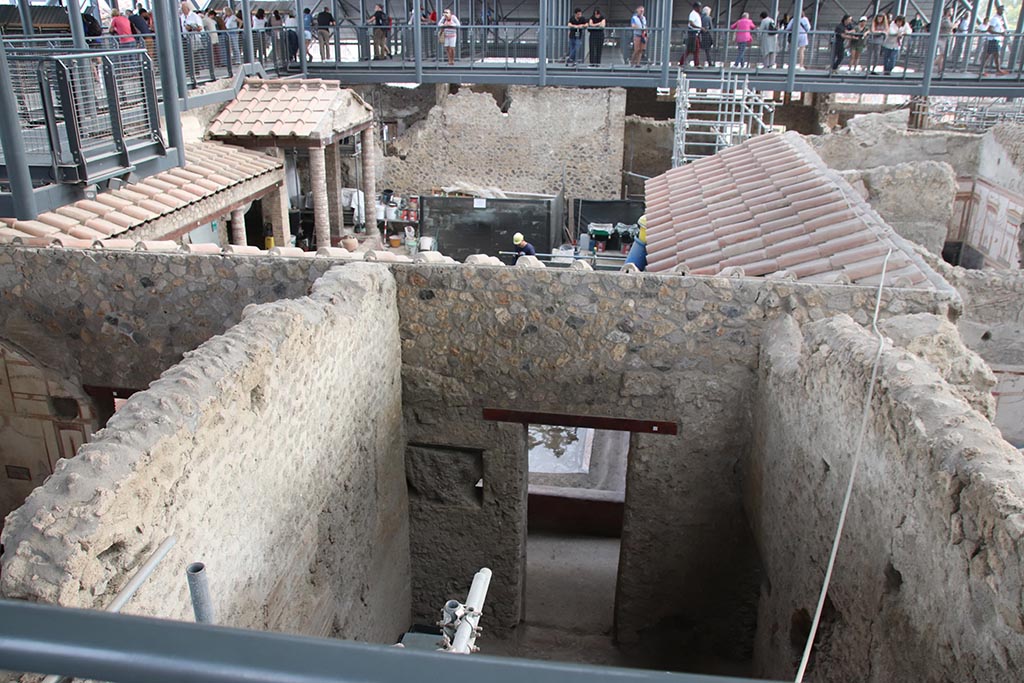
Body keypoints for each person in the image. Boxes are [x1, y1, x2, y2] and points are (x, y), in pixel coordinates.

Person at [980, 6, 1009, 76]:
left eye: (1003, 10)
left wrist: (1002, 32)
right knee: (990, 55)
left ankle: (995, 69)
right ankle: (984, 70)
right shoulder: (995, 19)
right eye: (1001, 10)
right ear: (998, 10)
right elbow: (990, 30)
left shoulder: (999, 19)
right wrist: (1000, 33)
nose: (1002, 12)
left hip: (996, 39)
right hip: (993, 39)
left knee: (994, 55)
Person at [681, 2, 701, 67]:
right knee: (692, 49)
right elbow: (691, 23)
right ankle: (696, 64)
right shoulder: (693, 14)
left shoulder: (696, 14)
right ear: (696, 7)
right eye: (699, 7)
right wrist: (700, 28)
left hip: (695, 34)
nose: (700, 8)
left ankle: (696, 63)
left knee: (694, 49)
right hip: (693, 34)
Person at [934, 7, 954, 72]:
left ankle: (940, 69)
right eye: (951, 11)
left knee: (943, 54)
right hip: (942, 39)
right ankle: (934, 64)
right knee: (942, 54)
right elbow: (948, 27)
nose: (952, 12)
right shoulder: (944, 19)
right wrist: (955, 25)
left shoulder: (948, 19)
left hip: (945, 39)